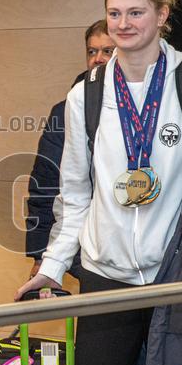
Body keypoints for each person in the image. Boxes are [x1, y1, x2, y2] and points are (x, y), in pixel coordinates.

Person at [16, 0, 182, 365]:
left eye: (135, 12)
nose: (123, 24)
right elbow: (75, 193)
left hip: (180, 273)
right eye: (114, 13)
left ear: (161, 16)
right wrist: (54, 265)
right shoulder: (86, 95)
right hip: (105, 274)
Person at [25, 20, 114, 279]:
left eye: (107, 51)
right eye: (92, 51)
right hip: (83, 249)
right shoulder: (66, 110)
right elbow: (45, 183)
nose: (98, 59)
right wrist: (41, 254)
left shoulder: (149, 108)